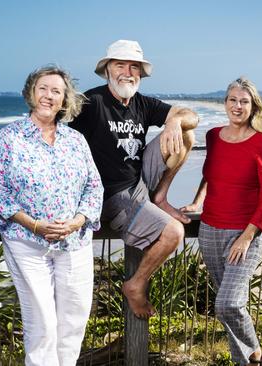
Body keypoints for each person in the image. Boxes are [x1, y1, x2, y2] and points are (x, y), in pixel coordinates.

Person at [0, 65, 103, 365]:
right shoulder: (8, 138)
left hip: (75, 243)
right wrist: (35, 225)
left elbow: (94, 187)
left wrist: (76, 222)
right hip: (27, 244)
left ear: (65, 101)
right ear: (31, 94)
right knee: (43, 327)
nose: (49, 96)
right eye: (43, 88)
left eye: (56, 91)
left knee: (73, 324)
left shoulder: (75, 141)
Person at [69, 39, 198, 318]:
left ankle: (160, 197)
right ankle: (135, 284)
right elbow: (57, 132)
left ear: (140, 73)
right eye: (120, 65)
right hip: (113, 196)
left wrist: (174, 120)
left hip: (141, 181)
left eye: (134, 67)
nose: (127, 72)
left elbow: (192, 116)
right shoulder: (92, 102)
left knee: (187, 133)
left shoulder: (142, 103)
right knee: (173, 232)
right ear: (107, 71)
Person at [181, 77, 262, 366]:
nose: (238, 106)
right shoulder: (213, 136)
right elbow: (211, 175)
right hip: (209, 231)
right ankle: (245, 362)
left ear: (253, 107)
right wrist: (197, 202)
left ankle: (257, 354)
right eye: (233, 100)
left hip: (243, 235)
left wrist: (247, 237)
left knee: (229, 304)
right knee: (227, 308)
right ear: (225, 104)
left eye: (244, 101)